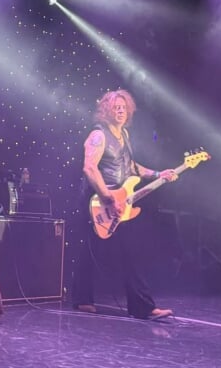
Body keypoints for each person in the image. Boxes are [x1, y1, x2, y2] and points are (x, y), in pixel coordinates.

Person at [72, 89, 176, 320]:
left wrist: (158, 174)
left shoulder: (124, 135)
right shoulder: (98, 135)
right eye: (116, 108)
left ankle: (142, 307)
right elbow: (89, 167)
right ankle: (82, 299)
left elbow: (131, 167)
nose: (120, 111)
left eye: (123, 108)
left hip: (120, 201)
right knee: (90, 250)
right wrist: (107, 196)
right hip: (98, 201)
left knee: (133, 251)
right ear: (106, 111)